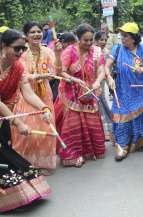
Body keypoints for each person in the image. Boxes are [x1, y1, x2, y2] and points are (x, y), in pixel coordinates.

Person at [0, 28, 51, 212]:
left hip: (5, 117)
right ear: (3, 46)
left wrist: (43, 108)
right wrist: (18, 122)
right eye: (17, 49)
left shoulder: (18, 67)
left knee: (4, 149)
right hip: (6, 114)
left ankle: (20, 194)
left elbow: (27, 92)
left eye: (23, 49)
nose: (21, 52)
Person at [11, 21, 61, 173]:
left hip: (44, 94)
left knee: (46, 129)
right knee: (27, 132)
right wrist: (38, 76)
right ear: (26, 36)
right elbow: (22, 76)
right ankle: (25, 164)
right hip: (25, 95)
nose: (36, 34)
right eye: (32, 32)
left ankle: (43, 164)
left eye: (38, 31)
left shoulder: (48, 52)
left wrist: (58, 54)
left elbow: (56, 72)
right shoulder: (21, 53)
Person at [55, 23, 106, 167]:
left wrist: (97, 81)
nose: (89, 43)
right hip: (71, 94)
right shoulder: (70, 51)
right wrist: (74, 79)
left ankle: (90, 151)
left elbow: (101, 70)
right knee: (73, 126)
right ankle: (73, 155)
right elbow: (61, 72)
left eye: (91, 40)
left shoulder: (96, 51)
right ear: (78, 38)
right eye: (85, 40)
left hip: (89, 93)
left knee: (91, 123)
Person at [105, 22, 143, 161]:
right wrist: (109, 78)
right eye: (121, 35)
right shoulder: (117, 49)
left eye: (125, 36)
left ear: (133, 38)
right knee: (121, 117)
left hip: (139, 89)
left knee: (141, 117)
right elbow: (106, 66)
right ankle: (122, 145)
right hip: (121, 90)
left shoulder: (142, 49)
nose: (122, 38)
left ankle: (137, 142)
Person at [94, 31, 112, 141]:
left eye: (105, 40)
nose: (103, 42)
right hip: (93, 81)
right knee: (97, 104)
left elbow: (108, 68)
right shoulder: (93, 51)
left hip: (103, 81)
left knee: (103, 102)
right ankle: (101, 131)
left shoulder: (107, 52)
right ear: (96, 41)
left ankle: (108, 131)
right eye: (101, 40)